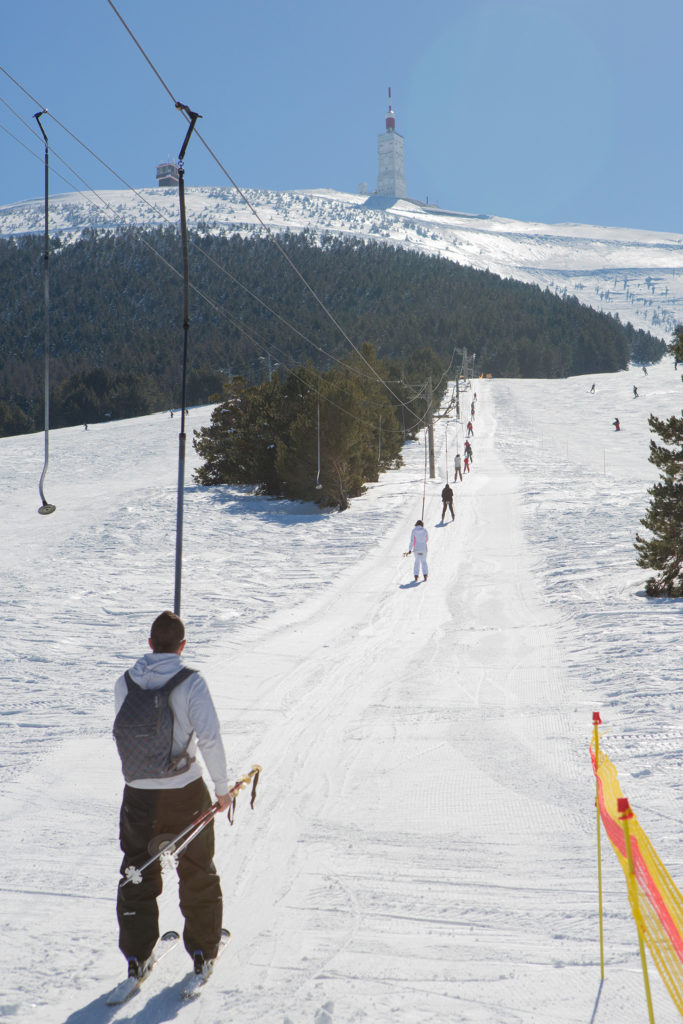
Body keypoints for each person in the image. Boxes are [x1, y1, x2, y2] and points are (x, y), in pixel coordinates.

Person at [114, 611, 231, 980]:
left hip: (137, 795)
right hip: (184, 792)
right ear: (182, 646)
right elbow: (209, 738)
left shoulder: (124, 682)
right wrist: (222, 790)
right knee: (196, 870)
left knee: (137, 871)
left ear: (149, 644)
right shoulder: (191, 683)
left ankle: (136, 957)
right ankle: (203, 951)